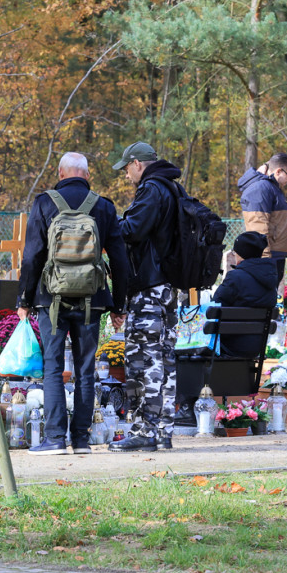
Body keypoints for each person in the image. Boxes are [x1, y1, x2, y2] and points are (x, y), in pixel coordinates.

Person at [17, 152, 128, 455]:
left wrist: (25, 299)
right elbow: (119, 259)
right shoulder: (103, 207)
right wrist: (119, 306)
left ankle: (54, 439)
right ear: (87, 175)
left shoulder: (44, 202)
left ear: (61, 173)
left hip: (50, 298)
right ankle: (81, 439)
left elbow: (32, 256)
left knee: (52, 368)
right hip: (92, 299)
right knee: (86, 368)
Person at [111, 141, 182, 453]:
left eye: (126, 168)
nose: (126, 175)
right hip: (168, 287)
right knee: (165, 361)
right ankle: (164, 430)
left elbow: (133, 230)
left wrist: (106, 224)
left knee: (144, 361)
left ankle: (144, 432)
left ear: (137, 163)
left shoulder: (151, 189)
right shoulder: (173, 189)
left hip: (149, 287)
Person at [211, 231, 279, 357]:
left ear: (240, 254)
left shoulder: (235, 278)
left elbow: (215, 306)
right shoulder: (270, 277)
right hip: (257, 346)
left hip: (229, 345)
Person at [238, 152, 287, 283]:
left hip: (275, 256)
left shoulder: (272, 188)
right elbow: (258, 226)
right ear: (279, 171)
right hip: (268, 259)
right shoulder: (261, 189)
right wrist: (264, 259)